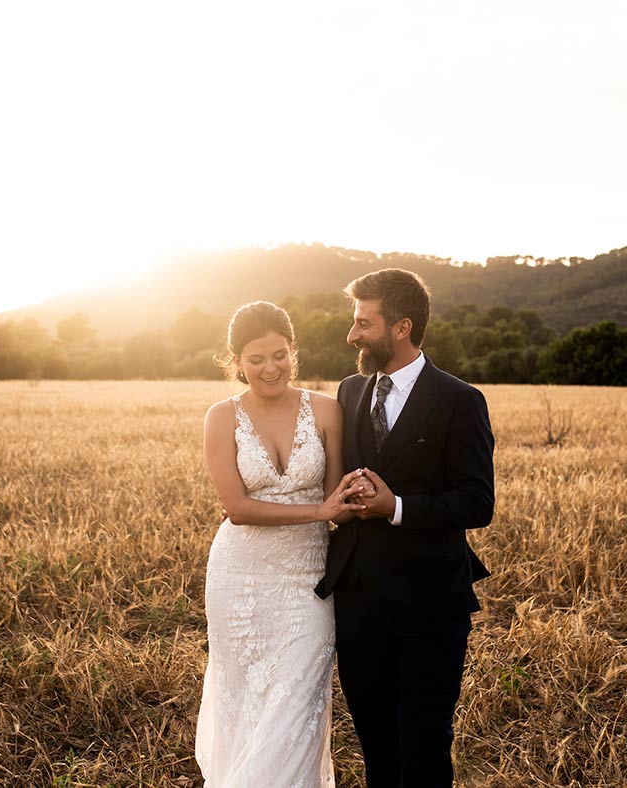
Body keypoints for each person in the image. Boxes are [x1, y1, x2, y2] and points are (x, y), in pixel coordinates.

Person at [314, 269, 495, 787]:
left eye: (363, 323)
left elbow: (477, 503)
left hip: (431, 606)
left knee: (423, 748)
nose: (352, 336)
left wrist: (396, 507)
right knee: (376, 748)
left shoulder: (460, 400)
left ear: (401, 327)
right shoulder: (349, 391)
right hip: (358, 601)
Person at [196, 301, 372, 787]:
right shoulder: (220, 417)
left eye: (279, 354)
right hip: (240, 575)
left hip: (307, 578)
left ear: (294, 351)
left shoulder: (327, 409)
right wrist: (320, 511)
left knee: (296, 702)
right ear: (236, 362)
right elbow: (236, 507)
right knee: (246, 700)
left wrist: (358, 498)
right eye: (256, 359)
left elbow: (337, 492)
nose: (269, 368)